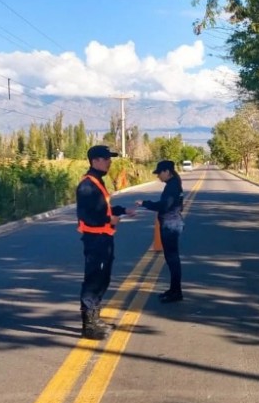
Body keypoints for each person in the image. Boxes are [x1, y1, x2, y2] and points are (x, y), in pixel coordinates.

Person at [76, 145, 136, 339]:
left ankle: (96, 317)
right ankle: (89, 325)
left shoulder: (97, 182)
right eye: (106, 158)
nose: (110, 162)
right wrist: (109, 220)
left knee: (103, 279)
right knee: (93, 280)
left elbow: (103, 208)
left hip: (104, 238)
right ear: (95, 161)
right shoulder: (87, 184)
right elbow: (88, 215)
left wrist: (121, 211)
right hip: (95, 240)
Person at [136, 160, 184, 303]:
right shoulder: (174, 184)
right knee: (171, 260)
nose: (158, 176)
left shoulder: (172, 186)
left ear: (167, 172)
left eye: (159, 173)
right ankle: (174, 289)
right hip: (173, 223)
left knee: (172, 260)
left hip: (170, 225)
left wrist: (145, 203)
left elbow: (164, 206)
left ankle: (176, 292)